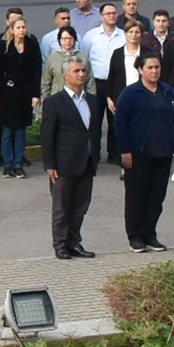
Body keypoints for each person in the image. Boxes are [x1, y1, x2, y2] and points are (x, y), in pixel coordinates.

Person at [112, 54, 174, 252]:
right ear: (140, 70)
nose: (154, 71)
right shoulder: (131, 93)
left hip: (162, 153)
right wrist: (124, 150)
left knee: (156, 197)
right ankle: (135, 236)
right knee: (136, 197)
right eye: (150, 68)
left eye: (157, 67)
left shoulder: (168, 91)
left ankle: (150, 234)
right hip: (138, 154)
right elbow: (120, 123)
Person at [42, 57, 102, 258]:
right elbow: (47, 135)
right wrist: (50, 164)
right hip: (64, 164)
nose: (81, 74)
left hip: (86, 161)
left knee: (80, 206)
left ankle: (74, 242)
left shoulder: (92, 101)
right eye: (76, 71)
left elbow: (92, 131)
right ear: (65, 74)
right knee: (61, 208)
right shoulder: (54, 102)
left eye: (83, 70)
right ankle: (60, 244)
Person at [0, 11, 43, 178]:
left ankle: (18, 163)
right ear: (12, 29)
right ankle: (8, 163)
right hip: (7, 92)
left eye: (23, 27)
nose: (21, 30)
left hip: (24, 92)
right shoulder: (3, 45)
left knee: (20, 130)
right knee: (7, 130)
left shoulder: (32, 45)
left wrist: (36, 94)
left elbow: (37, 71)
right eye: (18, 27)